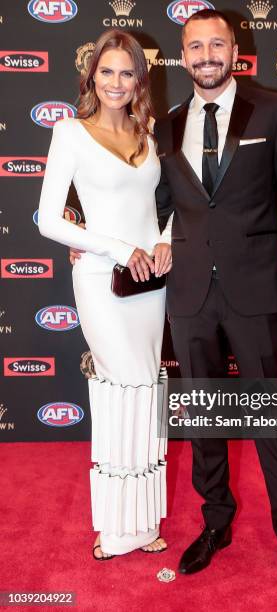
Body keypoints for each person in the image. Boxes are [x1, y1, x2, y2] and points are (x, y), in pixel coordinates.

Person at [153, 9, 277, 603]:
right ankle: (215, 523)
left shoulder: (275, 110)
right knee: (206, 418)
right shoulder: (168, 123)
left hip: (258, 292)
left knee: (268, 422)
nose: (206, 54)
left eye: (216, 43)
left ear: (236, 49)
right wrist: (100, 249)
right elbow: (154, 208)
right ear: (183, 56)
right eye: (194, 46)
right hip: (189, 295)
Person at [38, 29, 172, 560]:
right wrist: (116, 248)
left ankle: (142, 521)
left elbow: (171, 207)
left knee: (146, 394)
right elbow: (50, 221)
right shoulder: (70, 132)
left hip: (150, 286)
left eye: (127, 72)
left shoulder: (150, 133)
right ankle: (115, 527)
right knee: (123, 390)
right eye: (107, 71)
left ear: (140, 78)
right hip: (102, 279)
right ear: (92, 75)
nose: (116, 82)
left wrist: (164, 243)